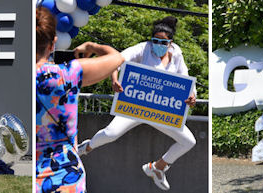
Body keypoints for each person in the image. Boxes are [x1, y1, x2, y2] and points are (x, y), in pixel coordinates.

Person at [76, 16, 197, 190]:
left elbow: (186, 80)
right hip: (135, 107)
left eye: (164, 42)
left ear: (171, 42)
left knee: (189, 141)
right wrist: (115, 79)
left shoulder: (177, 53)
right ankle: (86, 147)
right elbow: (116, 60)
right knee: (111, 133)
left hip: (161, 110)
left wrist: (191, 96)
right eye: (155, 40)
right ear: (151, 39)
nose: (159, 45)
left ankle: (158, 167)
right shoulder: (143, 48)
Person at [35, 7, 124, 193]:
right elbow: (117, 58)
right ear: (53, 44)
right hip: (67, 178)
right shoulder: (68, 74)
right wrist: (91, 46)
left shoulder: (10, 78)